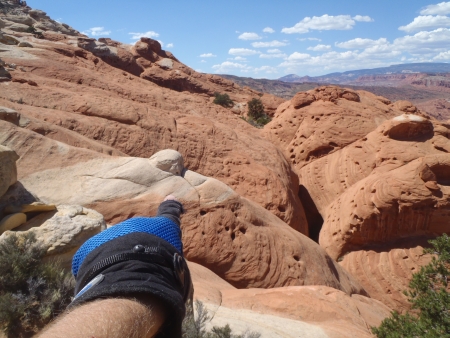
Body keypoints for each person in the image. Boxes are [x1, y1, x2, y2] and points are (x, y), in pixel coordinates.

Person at [38, 195, 192, 338]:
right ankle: (170, 205)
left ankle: (170, 205)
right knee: (169, 219)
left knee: (169, 219)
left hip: (93, 252)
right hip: (145, 244)